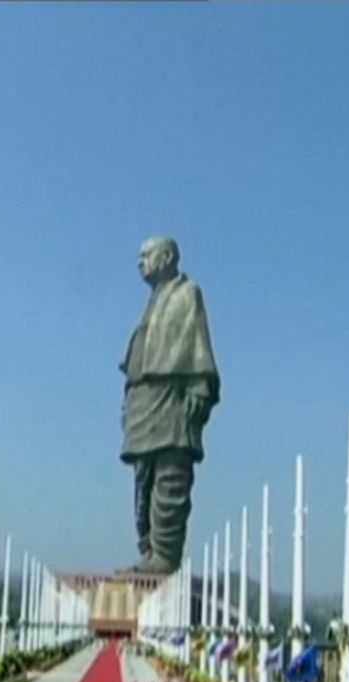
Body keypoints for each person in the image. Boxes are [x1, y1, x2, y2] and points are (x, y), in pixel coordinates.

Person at [120, 237, 220, 574]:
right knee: (142, 483)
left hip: (172, 400)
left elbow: (198, 345)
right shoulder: (152, 301)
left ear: (167, 257)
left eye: (146, 254)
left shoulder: (186, 293)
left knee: (170, 478)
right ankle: (148, 550)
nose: (140, 261)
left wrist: (199, 387)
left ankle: (165, 554)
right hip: (143, 402)